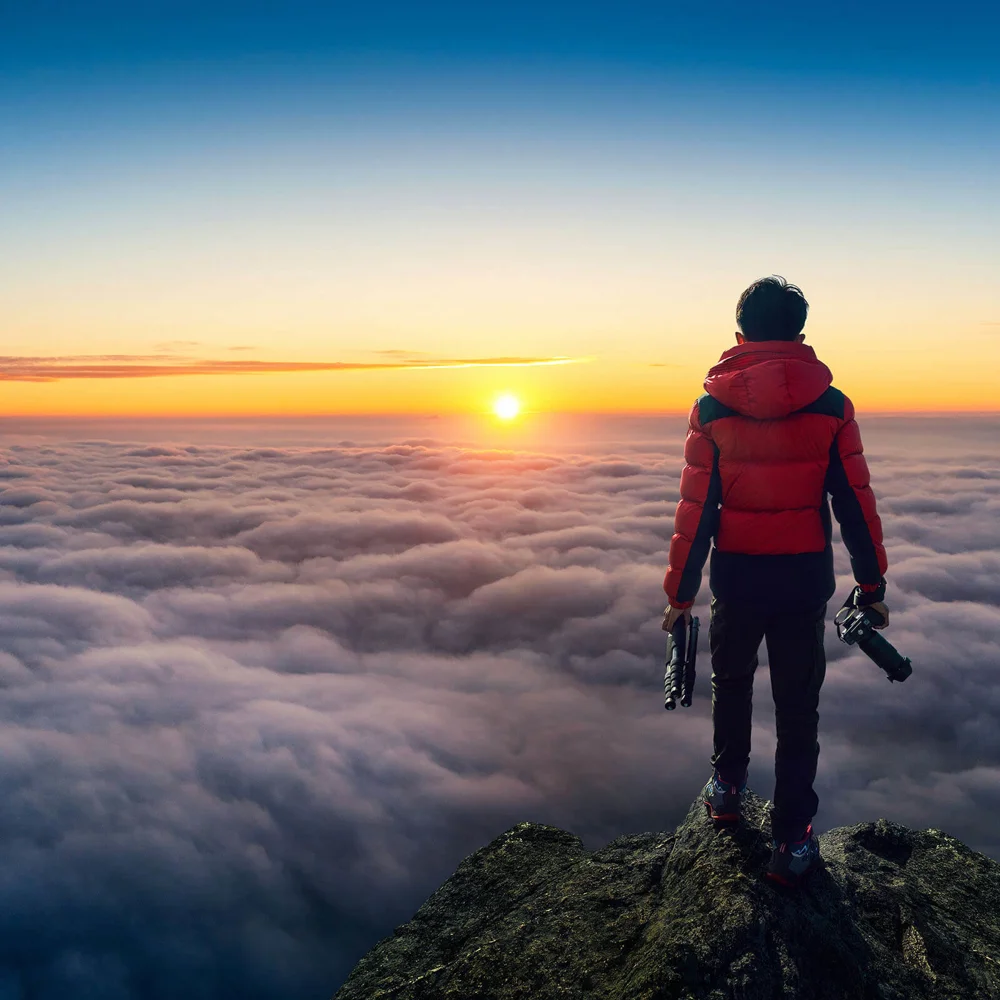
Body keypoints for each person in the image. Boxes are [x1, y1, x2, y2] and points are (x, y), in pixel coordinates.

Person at [661, 275, 889, 888]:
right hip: (802, 578)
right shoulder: (832, 406)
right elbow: (855, 504)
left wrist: (680, 596)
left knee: (730, 681)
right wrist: (872, 587)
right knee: (798, 707)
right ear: (800, 336)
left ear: (739, 335)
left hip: (737, 577)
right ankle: (792, 840)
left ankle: (728, 788)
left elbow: (697, 511)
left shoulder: (710, 409)